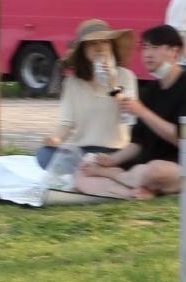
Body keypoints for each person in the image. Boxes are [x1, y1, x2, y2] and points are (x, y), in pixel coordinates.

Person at [74, 24, 186, 199]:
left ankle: (121, 180)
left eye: (155, 48)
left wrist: (142, 111)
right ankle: (135, 192)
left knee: (155, 170)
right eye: (145, 48)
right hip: (144, 165)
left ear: (174, 52)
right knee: (82, 173)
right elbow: (137, 143)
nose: (147, 54)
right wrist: (111, 160)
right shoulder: (151, 91)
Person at [33, 19, 135, 174]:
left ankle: (92, 172)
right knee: (44, 154)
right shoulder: (73, 82)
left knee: (125, 161)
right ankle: (90, 172)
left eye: (104, 42)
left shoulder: (126, 76)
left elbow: (129, 117)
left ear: (111, 46)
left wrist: (113, 85)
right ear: (83, 50)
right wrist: (56, 139)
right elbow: (67, 122)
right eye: (92, 43)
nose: (100, 48)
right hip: (82, 151)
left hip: (115, 152)